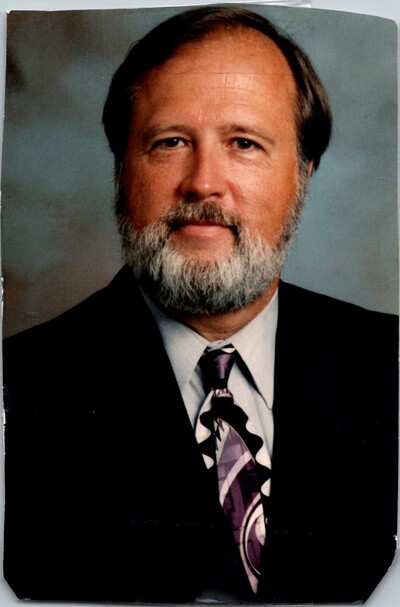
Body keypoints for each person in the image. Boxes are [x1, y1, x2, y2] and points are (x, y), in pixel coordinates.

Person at [3, 6, 397, 605]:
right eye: (170, 142)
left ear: (304, 172)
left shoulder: (390, 364)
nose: (203, 182)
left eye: (244, 143)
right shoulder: (18, 390)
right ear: (121, 168)